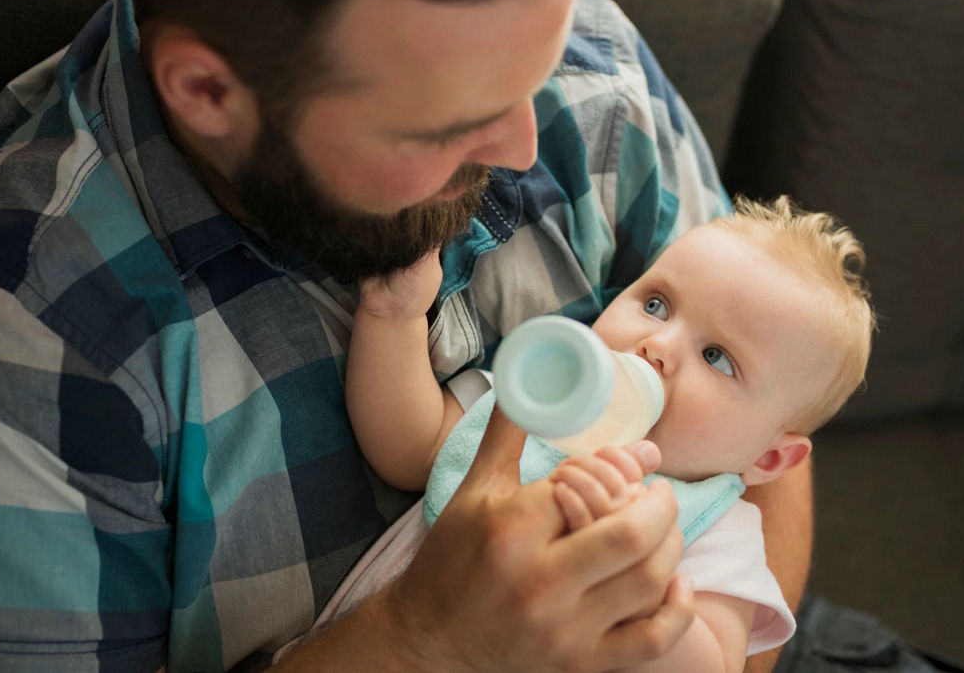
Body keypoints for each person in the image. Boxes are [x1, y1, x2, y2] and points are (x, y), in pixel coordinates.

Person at [0, 0, 813, 671]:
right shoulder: (12, 329)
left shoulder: (585, 62)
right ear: (211, 91)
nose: (526, 143)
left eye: (539, 68)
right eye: (446, 122)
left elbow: (774, 413)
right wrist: (425, 638)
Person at [309, 196, 875, 671]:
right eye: (656, 304)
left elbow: (711, 663)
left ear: (771, 460)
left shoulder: (717, 531)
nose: (657, 345)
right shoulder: (535, 402)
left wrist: (632, 571)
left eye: (717, 357)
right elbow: (409, 449)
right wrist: (393, 317)